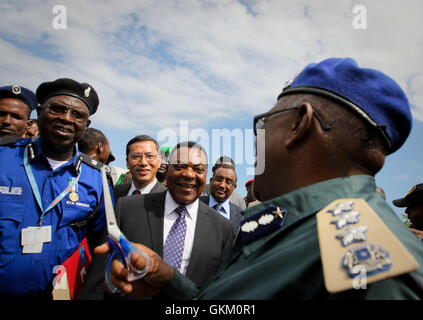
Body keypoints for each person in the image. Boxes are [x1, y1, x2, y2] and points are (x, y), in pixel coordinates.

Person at [101, 57, 423, 299]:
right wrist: (169, 279)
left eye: (264, 123)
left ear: (300, 124)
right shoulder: (294, 229)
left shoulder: (374, 268)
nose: (256, 141)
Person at [0, 78, 113, 299]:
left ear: (86, 125)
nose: (66, 119)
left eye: (77, 115)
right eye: (58, 109)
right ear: (40, 112)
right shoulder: (4, 156)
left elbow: (100, 245)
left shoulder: (97, 177)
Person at [79, 141, 234, 299]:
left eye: (198, 169)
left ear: (206, 175)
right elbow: (98, 279)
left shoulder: (223, 230)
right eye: (179, 166)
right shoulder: (128, 208)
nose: (188, 174)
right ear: (167, 170)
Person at [113, 135, 167, 202]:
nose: (143, 163)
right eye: (136, 156)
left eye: (150, 156)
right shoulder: (115, 192)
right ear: (127, 162)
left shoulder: (168, 197)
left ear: (159, 161)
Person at [200, 164, 243, 235]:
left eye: (228, 182)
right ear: (211, 181)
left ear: (234, 187)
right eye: (219, 179)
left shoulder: (241, 215)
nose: (222, 185)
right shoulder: (195, 204)